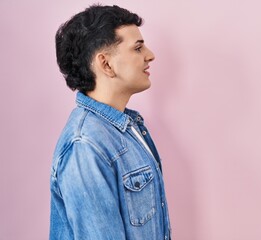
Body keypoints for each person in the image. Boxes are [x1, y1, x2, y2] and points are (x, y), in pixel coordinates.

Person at [50, 4, 171, 240]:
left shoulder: (128, 127)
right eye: (137, 48)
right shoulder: (85, 146)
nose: (150, 55)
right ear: (105, 64)